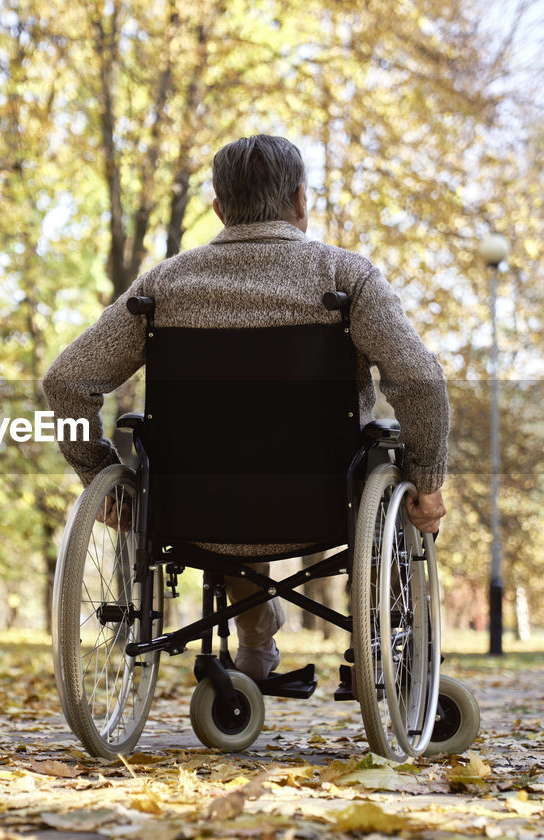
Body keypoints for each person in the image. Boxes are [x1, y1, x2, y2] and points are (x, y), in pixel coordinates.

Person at [42, 134, 449, 680]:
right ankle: (382, 643)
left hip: (198, 506)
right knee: (374, 451)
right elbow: (420, 382)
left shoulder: (163, 287)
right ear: (302, 200)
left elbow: (66, 381)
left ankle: (256, 642)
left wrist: (95, 470)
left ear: (219, 208)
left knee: (227, 473)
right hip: (328, 500)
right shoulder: (346, 279)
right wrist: (425, 479)